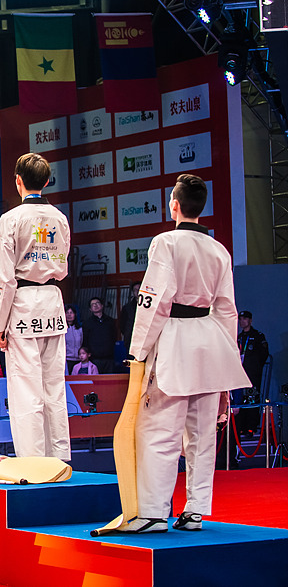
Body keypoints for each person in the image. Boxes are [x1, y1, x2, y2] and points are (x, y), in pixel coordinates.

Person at [123, 173, 251, 533]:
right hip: (211, 343)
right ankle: (195, 511)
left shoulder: (165, 243)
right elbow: (227, 310)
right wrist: (229, 359)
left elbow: (153, 303)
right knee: (202, 434)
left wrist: (138, 352)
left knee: (159, 430)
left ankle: (153, 513)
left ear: (174, 205)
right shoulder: (219, 250)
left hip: (175, 340)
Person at [0, 152, 70, 461]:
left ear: (18, 181)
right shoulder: (60, 218)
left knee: (26, 390)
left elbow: (3, 277)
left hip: (22, 302)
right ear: (47, 181)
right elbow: (63, 265)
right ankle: (59, 459)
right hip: (52, 300)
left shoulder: (10, 219)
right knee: (54, 386)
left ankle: (33, 461)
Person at [236, 310, 270, 436]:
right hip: (240, 374)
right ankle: (241, 427)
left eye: (245, 319)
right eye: (240, 319)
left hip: (252, 375)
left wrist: (255, 367)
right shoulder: (239, 337)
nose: (242, 321)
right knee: (241, 399)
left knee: (252, 398)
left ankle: (251, 427)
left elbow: (264, 354)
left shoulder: (257, 336)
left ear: (250, 320)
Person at [83, 297, 118, 374]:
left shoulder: (110, 321)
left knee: (109, 379)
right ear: (90, 309)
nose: (95, 305)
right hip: (94, 358)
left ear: (102, 305)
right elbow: (85, 340)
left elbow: (114, 336)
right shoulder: (87, 323)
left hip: (109, 357)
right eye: (93, 304)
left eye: (97, 303)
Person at [119, 282, 141, 356]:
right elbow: (122, 325)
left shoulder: (150, 306)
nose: (138, 291)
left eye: (139, 289)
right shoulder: (127, 308)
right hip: (131, 340)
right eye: (135, 290)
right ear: (133, 292)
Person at [64, 304, 83, 374]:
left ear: (75, 314)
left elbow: (82, 342)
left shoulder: (80, 329)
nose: (69, 315)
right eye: (67, 313)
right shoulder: (63, 330)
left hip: (79, 359)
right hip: (66, 360)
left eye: (71, 313)